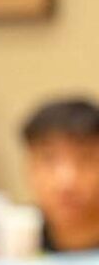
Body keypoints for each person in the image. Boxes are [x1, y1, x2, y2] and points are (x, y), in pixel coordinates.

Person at [21, 98, 99, 253]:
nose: (67, 181)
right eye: (49, 158)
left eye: (86, 158)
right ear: (29, 167)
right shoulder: (6, 243)